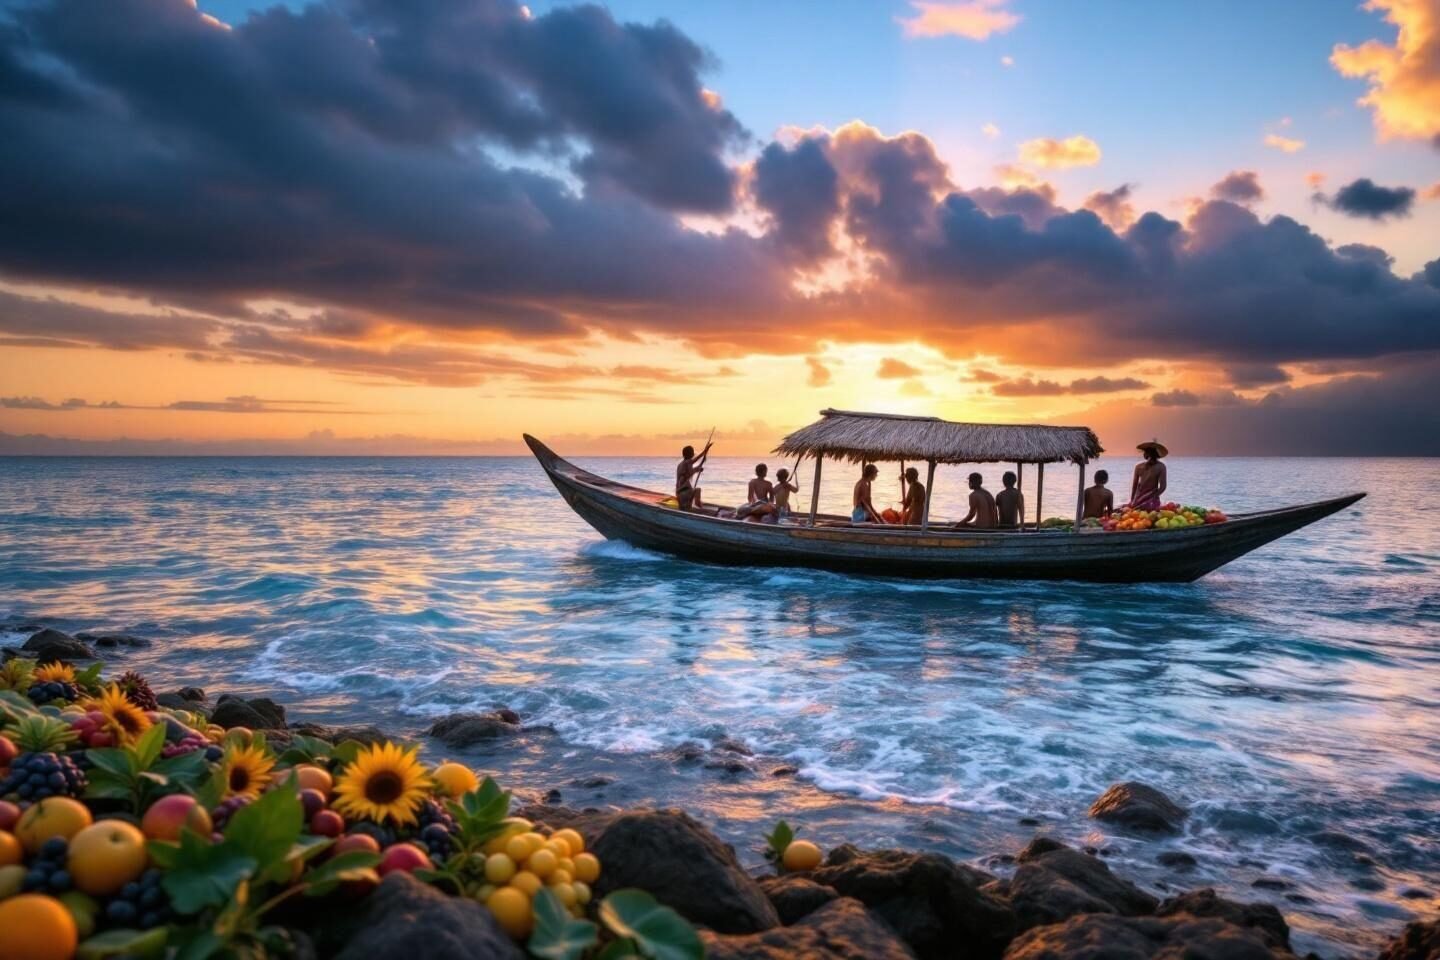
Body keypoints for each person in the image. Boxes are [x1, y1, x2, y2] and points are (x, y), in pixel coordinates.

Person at [1130, 441, 1168, 510]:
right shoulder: (1161, 467)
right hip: (1152, 501)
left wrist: (1132, 500)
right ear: (1157, 455)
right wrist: (1153, 497)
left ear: (1145, 454)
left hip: (1138, 500)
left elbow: (1134, 486)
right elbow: (1163, 487)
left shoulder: (1138, 467)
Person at [675, 442, 710, 511]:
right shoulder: (687, 462)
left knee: (691, 490)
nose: (694, 454)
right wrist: (705, 451)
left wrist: (704, 452)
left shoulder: (681, 464)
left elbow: (690, 471)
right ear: (690, 454)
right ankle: (700, 508)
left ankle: (691, 507)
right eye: (692, 452)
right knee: (697, 490)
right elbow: (691, 471)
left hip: (679, 493)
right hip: (684, 493)